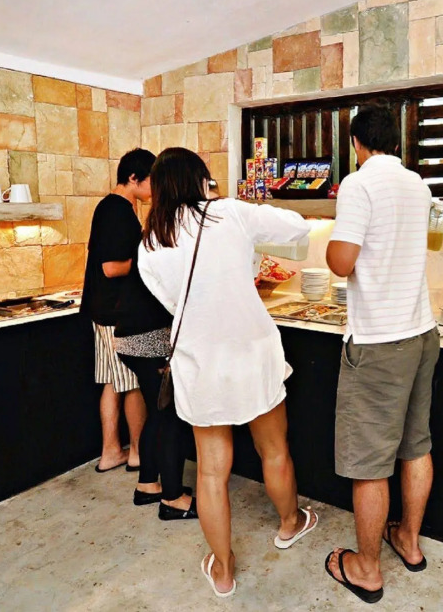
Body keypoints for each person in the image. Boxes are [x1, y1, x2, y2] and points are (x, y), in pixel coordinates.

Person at [137, 148, 319, 598]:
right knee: (273, 450)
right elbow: (297, 227)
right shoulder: (230, 213)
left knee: (211, 473)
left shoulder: (150, 243)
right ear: (202, 181)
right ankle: (290, 523)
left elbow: (173, 302)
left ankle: (222, 569)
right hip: (252, 354)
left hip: (202, 363)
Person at [324, 105, 440, 604]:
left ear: (357, 143)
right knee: (416, 444)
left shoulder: (358, 184)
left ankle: (367, 570)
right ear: (396, 141)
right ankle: (408, 541)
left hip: (378, 342)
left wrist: (334, 249)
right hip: (422, 333)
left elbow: (341, 261)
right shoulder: (418, 185)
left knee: (370, 463)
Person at [113, 223, 197, 519]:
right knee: (169, 416)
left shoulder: (154, 234)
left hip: (128, 336)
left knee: (157, 414)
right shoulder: (173, 240)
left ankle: (148, 485)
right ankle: (173, 499)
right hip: (150, 338)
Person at [80, 149, 153, 473]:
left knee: (112, 381)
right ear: (134, 178)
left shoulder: (111, 208)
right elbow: (111, 267)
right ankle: (137, 452)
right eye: (152, 181)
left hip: (102, 310)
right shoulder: (118, 211)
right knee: (132, 382)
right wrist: (149, 262)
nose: (155, 188)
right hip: (116, 313)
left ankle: (111, 451)